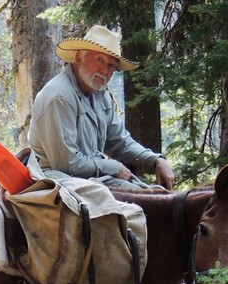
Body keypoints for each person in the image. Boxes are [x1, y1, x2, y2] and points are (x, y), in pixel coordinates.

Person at [28, 25, 175, 190]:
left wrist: (156, 160)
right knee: (138, 203)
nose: (104, 70)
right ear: (78, 57)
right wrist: (113, 167)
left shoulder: (99, 95)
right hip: (56, 181)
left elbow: (120, 142)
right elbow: (68, 164)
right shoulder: (60, 97)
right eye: (99, 59)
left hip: (90, 179)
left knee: (152, 195)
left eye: (111, 65)